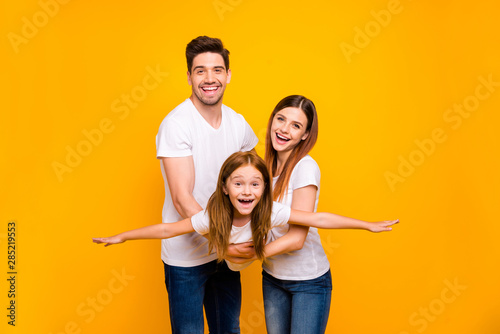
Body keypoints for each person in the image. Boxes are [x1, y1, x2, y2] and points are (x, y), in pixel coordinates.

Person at [93, 152, 398, 260]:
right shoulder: (214, 216)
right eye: (238, 183)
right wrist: (122, 236)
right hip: (221, 261)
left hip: (244, 261)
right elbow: (167, 228)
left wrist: (367, 225)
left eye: (255, 184)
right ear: (225, 188)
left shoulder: (271, 211)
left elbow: (318, 218)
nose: (247, 191)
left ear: (265, 189)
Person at [155, 36, 258, 333]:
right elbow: (181, 198)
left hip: (224, 255)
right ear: (189, 77)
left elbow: (253, 181)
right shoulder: (176, 124)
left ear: (228, 75)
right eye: (200, 71)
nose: (209, 78)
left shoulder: (237, 122)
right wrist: (225, 241)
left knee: (228, 329)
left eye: (217, 70)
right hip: (186, 258)